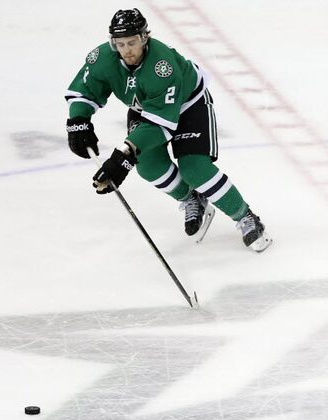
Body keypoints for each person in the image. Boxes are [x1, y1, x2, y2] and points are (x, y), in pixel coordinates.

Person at [64, 8, 271, 252]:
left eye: (132, 42)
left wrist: (124, 154)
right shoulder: (101, 58)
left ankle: (245, 216)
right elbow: (84, 90)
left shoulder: (162, 66)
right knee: (150, 167)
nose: (127, 50)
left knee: (194, 168)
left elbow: (160, 123)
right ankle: (192, 199)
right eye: (120, 44)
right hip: (146, 109)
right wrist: (79, 120)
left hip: (188, 105)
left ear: (145, 37)